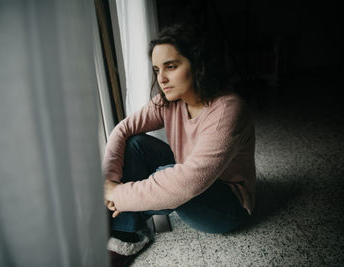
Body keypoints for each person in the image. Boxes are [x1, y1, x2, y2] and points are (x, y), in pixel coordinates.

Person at [103, 23, 256, 267]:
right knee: (135, 144)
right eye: (156, 70)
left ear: (198, 64)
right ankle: (127, 235)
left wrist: (118, 195)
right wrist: (110, 180)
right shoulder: (168, 101)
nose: (161, 79)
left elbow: (188, 181)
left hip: (228, 206)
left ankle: (122, 216)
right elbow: (123, 128)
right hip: (189, 179)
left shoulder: (228, 110)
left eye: (171, 67)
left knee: (168, 177)